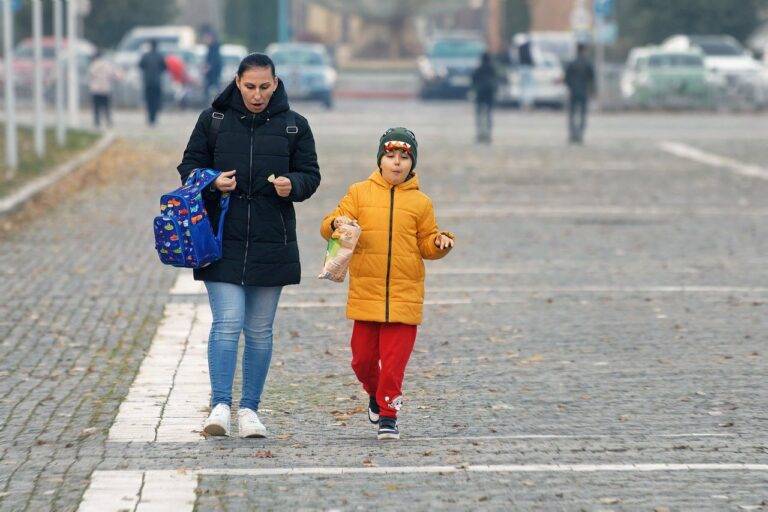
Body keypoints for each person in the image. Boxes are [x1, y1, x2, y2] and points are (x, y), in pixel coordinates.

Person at [177, 53, 321, 438]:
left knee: (259, 331)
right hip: (220, 239)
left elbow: (310, 175)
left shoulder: (295, 126)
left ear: (275, 84)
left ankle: (250, 410)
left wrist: (294, 185)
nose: (257, 95)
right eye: (250, 86)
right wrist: (211, 181)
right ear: (237, 83)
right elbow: (188, 166)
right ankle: (220, 406)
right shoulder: (214, 120)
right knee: (227, 323)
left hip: (272, 241)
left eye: (264, 87)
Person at [320, 127, 455, 440]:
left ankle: (389, 415)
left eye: (404, 158)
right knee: (362, 360)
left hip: (405, 295)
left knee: (393, 365)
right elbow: (329, 225)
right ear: (380, 159)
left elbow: (425, 243)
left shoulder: (421, 203)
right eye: (390, 156)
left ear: (412, 164)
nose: (397, 163)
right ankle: (375, 393)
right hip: (366, 293)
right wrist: (336, 223)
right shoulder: (358, 193)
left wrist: (438, 242)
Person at [564, 43, 595, 144]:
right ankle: (580, 134)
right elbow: (592, 78)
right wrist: (592, 91)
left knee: (572, 114)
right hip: (583, 91)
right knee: (582, 114)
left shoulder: (572, 63)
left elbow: (566, 78)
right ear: (584, 50)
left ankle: (573, 134)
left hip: (573, 91)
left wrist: (570, 86)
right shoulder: (587, 63)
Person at [87, 49, 120, 129]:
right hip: (106, 88)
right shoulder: (107, 65)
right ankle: (108, 121)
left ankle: (97, 122)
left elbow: (90, 75)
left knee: (96, 107)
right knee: (107, 107)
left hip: (96, 89)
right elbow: (113, 75)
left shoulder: (93, 65)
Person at [471, 52, 499, 144]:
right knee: (488, 115)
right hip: (489, 95)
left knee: (479, 116)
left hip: (480, 95)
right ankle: (488, 134)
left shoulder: (478, 70)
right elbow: (496, 82)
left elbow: (473, 81)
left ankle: (480, 134)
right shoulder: (492, 70)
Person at [138, 40, 167, 126]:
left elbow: (140, 65)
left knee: (149, 100)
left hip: (147, 82)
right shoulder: (160, 56)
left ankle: (150, 118)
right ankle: (154, 118)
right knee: (156, 100)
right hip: (157, 82)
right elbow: (165, 67)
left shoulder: (145, 56)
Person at [516, 34, 535, 110]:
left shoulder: (519, 48)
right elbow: (531, 58)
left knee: (523, 87)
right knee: (528, 87)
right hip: (527, 68)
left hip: (522, 68)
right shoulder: (527, 48)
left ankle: (523, 104)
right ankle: (527, 104)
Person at [204, 31, 223, 100]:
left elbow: (214, 60)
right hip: (211, 73)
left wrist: (208, 68)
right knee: (211, 88)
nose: (206, 39)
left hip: (214, 72)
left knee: (215, 88)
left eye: (208, 38)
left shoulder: (214, 48)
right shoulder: (210, 48)